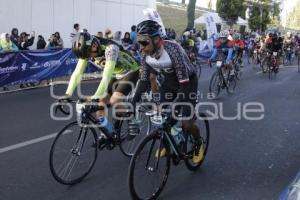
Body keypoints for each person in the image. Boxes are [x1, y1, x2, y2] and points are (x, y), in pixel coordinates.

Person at [130, 20, 204, 164]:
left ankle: (198, 143)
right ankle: (167, 142)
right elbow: (144, 81)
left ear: (157, 39)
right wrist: (133, 102)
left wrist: (177, 105)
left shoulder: (173, 49)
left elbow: (184, 83)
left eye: (144, 43)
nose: (141, 47)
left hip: (187, 82)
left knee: (186, 122)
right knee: (163, 116)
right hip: (169, 82)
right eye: (138, 42)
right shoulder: (145, 55)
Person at [60, 32, 140, 135]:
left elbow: (106, 75)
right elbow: (77, 73)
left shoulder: (111, 48)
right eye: (85, 56)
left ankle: (133, 120)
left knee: (115, 100)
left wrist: (95, 96)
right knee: (100, 103)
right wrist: (67, 94)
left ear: (94, 46)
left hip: (130, 71)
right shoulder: (87, 51)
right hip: (115, 73)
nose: (88, 58)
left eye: (88, 55)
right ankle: (109, 131)